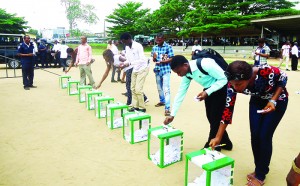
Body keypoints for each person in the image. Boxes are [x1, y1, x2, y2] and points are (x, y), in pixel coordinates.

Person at [209, 61, 288, 186]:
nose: (236, 88)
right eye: (233, 84)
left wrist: (273, 100)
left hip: (278, 100)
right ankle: (259, 169)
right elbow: (228, 109)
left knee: (264, 136)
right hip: (257, 101)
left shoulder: (264, 71)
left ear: (249, 77)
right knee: (255, 136)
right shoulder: (232, 84)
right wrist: (218, 136)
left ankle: (261, 175)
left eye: (239, 84)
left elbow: (283, 77)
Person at [163, 55, 233, 151]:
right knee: (211, 118)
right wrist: (172, 114)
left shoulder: (205, 64)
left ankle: (211, 147)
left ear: (185, 65)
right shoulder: (187, 74)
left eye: (179, 72)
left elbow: (224, 79)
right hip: (209, 90)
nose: (178, 75)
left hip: (222, 88)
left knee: (215, 118)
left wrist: (207, 92)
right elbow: (181, 93)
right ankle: (226, 143)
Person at [120, 33, 149, 112]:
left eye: (124, 41)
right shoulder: (127, 47)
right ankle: (135, 106)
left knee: (138, 89)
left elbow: (142, 59)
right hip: (135, 69)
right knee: (132, 88)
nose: (124, 43)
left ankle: (142, 107)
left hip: (143, 68)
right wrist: (124, 64)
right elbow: (129, 59)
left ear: (129, 39)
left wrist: (129, 63)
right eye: (122, 42)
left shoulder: (138, 46)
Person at [151, 33, 174, 116]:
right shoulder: (154, 47)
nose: (158, 41)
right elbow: (154, 60)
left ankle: (167, 108)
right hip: (157, 70)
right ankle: (162, 101)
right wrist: (154, 57)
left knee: (166, 88)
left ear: (164, 39)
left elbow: (171, 58)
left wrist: (162, 61)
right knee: (159, 88)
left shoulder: (168, 47)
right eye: (157, 39)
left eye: (160, 40)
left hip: (165, 70)